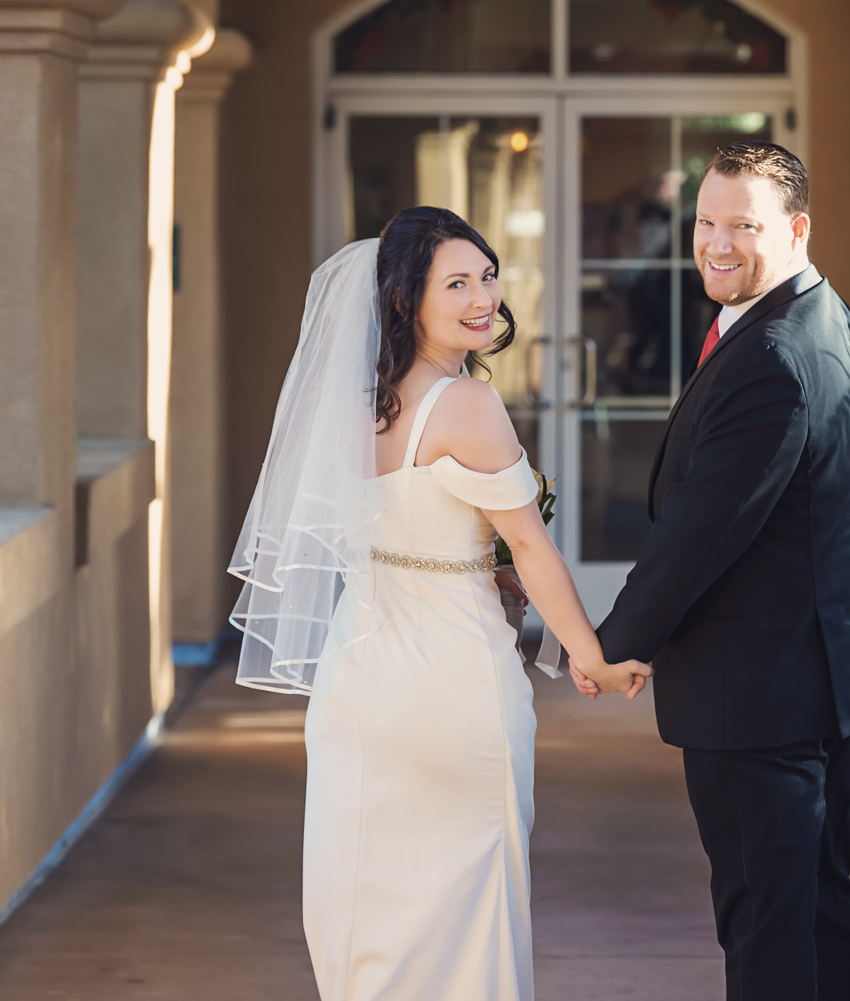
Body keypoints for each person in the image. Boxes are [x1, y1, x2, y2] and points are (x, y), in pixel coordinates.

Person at [227, 207, 650, 1001]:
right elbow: (528, 545)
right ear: (403, 300)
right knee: (469, 903)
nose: (483, 296)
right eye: (455, 283)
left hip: (361, 680)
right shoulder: (469, 406)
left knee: (373, 902)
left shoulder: (352, 405)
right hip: (453, 683)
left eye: (487, 275)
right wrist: (589, 655)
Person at [571, 141, 850, 1001]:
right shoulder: (825, 314)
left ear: (794, 229)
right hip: (826, 675)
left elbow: (700, 528)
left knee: (765, 920)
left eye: (743, 226)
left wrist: (614, 645)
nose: (718, 244)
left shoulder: (774, 357)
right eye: (706, 222)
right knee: (817, 904)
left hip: (765, 692)